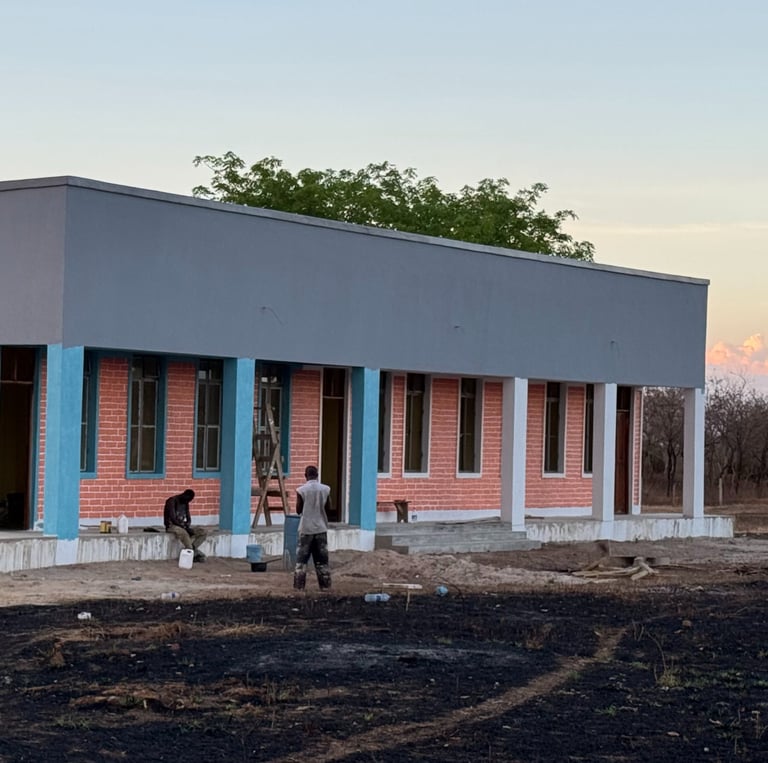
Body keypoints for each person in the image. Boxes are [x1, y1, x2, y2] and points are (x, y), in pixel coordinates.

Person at [293, 465, 332, 590]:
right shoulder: (326, 489)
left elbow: (298, 510)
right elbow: (328, 508)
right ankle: (325, 586)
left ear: (306, 476)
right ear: (317, 475)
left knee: (301, 561)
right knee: (322, 561)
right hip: (321, 528)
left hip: (306, 529)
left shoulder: (301, 490)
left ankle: (299, 587)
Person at [164, 489, 208, 562]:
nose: (187, 502)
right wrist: (184, 527)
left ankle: (192, 549)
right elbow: (173, 519)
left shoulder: (186, 503)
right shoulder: (172, 501)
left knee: (203, 532)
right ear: (184, 495)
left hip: (182, 525)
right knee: (184, 533)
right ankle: (191, 552)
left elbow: (188, 518)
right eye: (187, 500)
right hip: (172, 526)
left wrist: (187, 525)